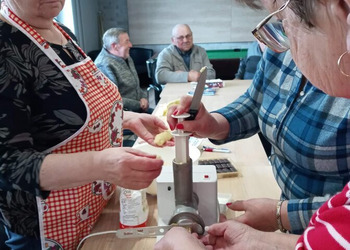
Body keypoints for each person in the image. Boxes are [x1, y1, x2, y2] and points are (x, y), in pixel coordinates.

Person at [155, 0, 350, 248]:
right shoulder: (285, 51)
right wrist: (212, 123)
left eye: (282, 20)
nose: (282, 36)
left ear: (339, 9)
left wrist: (283, 215)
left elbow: (339, 225)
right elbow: (256, 100)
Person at [0, 1, 172, 249]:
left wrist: (124, 117)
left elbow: (60, 114)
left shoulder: (62, 32)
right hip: (44, 229)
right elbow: (7, 164)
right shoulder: (6, 45)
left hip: (96, 206)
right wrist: (100, 165)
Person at [95, 27, 152, 114]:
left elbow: (136, 86)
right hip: (123, 116)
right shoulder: (103, 66)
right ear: (115, 46)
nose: (131, 45)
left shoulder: (126, 57)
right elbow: (112, 99)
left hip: (138, 110)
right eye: (127, 41)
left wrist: (143, 97)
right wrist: (138, 104)